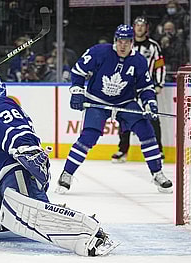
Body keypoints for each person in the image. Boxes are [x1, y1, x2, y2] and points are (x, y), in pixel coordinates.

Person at [0, 72, 117, 257]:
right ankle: (13, 222)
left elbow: (16, 129)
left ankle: (90, 234)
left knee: (42, 217)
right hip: (0, 182)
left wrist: (25, 147)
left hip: (16, 173)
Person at [55, 24, 173, 194]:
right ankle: (67, 174)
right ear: (115, 40)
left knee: (146, 131)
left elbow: (145, 87)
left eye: (127, 42)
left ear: (132, 42)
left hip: (124, 102)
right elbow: (78, 71)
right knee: (89, 136)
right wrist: (77, 91)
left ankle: (157, 173)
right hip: (98, 101)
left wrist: (150, 103)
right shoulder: (99, 52)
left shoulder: (139, 60)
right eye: (120, 41)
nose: (123, 45)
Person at [112, 17, 166, 163]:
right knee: (124, 117)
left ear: (146, 28)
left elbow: (159, 65)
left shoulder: (153, 46)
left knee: (153, 116)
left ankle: (158, 149)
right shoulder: (126, 44)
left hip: (146, 87)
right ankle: (123, 150)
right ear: (134, 27)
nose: (140, 28)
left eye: (142, 26)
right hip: (127, 87)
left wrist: (159, 84)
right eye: (137, 25)